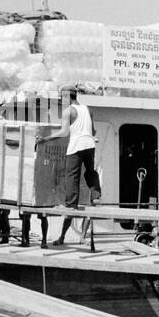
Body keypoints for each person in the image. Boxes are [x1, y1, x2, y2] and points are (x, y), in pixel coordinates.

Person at [51, 87, 101, 245]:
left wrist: (46, 138)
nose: (62, 100)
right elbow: (93, 130)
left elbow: (64, 132)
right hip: (90, 144)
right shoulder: (88, 109)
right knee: (90, 172)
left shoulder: (69, 111)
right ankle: (96, 195)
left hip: (76, 146)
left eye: (62, 98)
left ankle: (71, 203)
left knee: (71, 175)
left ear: (67, 96)